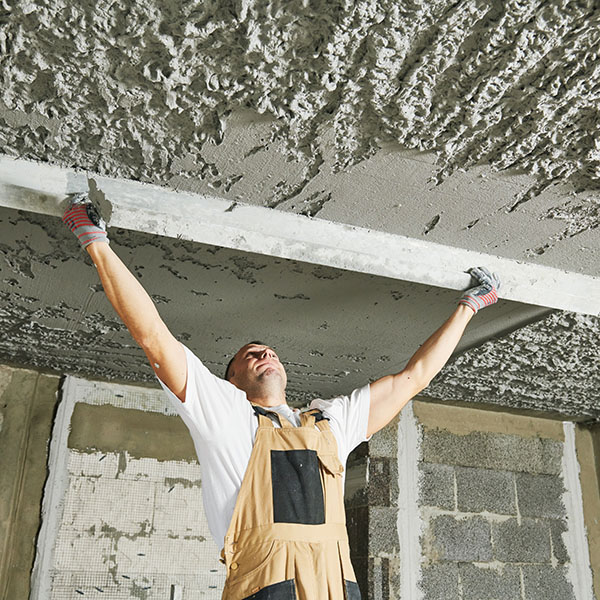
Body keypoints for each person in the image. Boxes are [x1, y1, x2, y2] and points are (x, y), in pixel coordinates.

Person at [62, 193, 500, 600]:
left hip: (337, 585)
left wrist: (471, 306)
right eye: (251, 355)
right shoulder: (228, 416)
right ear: (231, 381)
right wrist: (95, 241)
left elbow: (414, 378)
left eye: (269, 351)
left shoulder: (330, 422)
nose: (265, 352)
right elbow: (155, 339)